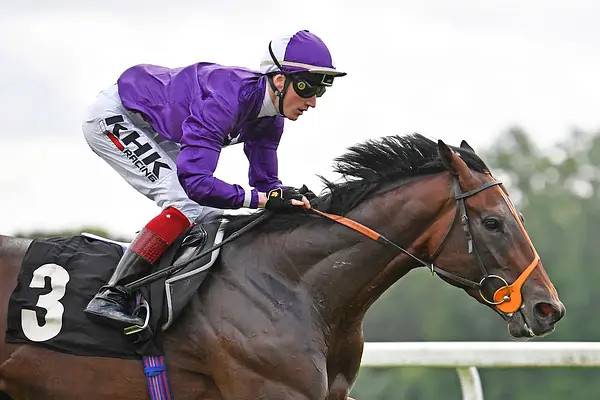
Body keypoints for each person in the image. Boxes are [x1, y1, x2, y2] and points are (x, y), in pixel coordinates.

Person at [81, 30, 347, 330]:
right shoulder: (225, 100)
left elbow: (265, 185)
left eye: (321, 90)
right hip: (116, 115)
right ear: (278, 80)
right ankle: (112, 295)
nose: (313, 101)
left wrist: (289, 197)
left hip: (155, 124)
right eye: (307, 86)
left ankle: (160, 291)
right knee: (185, 203)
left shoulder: (271, 121)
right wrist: (261, 200)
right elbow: (196, 183)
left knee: (210, 216)